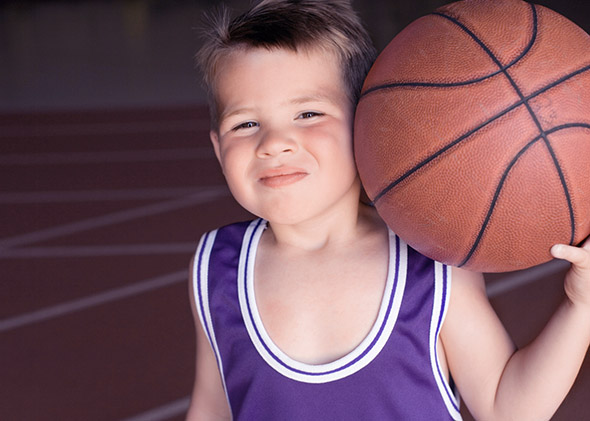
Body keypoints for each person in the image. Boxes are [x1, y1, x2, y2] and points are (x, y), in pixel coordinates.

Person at [186, 0, 590, 419]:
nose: (274, 142)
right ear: (218, 147)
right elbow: (213, 409)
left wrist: (581, 306)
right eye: (245, 124)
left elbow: (509, 409)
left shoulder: (431, 262)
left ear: (367, 122)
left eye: (308, 113)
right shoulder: (216, 266)